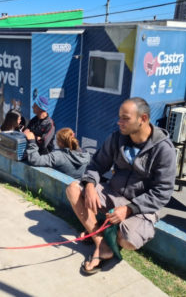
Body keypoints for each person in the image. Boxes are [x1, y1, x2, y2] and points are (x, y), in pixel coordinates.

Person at [66, 97, 176, 275]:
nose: (120, 122)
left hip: (141, 206)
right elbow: (96, 165)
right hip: (113, 193)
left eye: (125, 118)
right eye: (119, 117)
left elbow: (163, 192)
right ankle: (101, 242)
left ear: (144, 119)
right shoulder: (117, 138)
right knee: (73, 188)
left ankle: (105, 229)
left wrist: (130, 209)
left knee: (129, 241)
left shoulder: (164, 149)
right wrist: (90, 185)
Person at [25, 127, 90, 179]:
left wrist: (32, 142)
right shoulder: (86, 155)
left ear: (60, 143)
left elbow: (35, 160)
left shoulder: (58, 156)